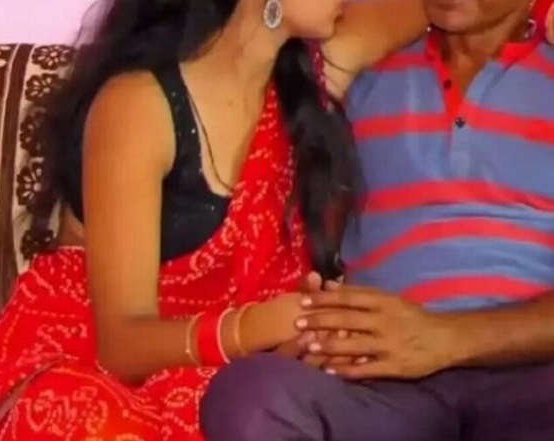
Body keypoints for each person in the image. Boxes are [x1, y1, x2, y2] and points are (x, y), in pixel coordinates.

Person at [0, 0, 427, 440]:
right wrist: (250, 329)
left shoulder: (308, 80)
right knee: (81, 414)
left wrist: (301, 334)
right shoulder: (139, 106)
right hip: (93, 354)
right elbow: (121, 344)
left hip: (234, 375)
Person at [199, 0, 554, 440]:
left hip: (533, 375)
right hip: (383, 383)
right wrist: (316, 316)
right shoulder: (362, 69)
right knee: (251, 396)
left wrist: (447, 338)